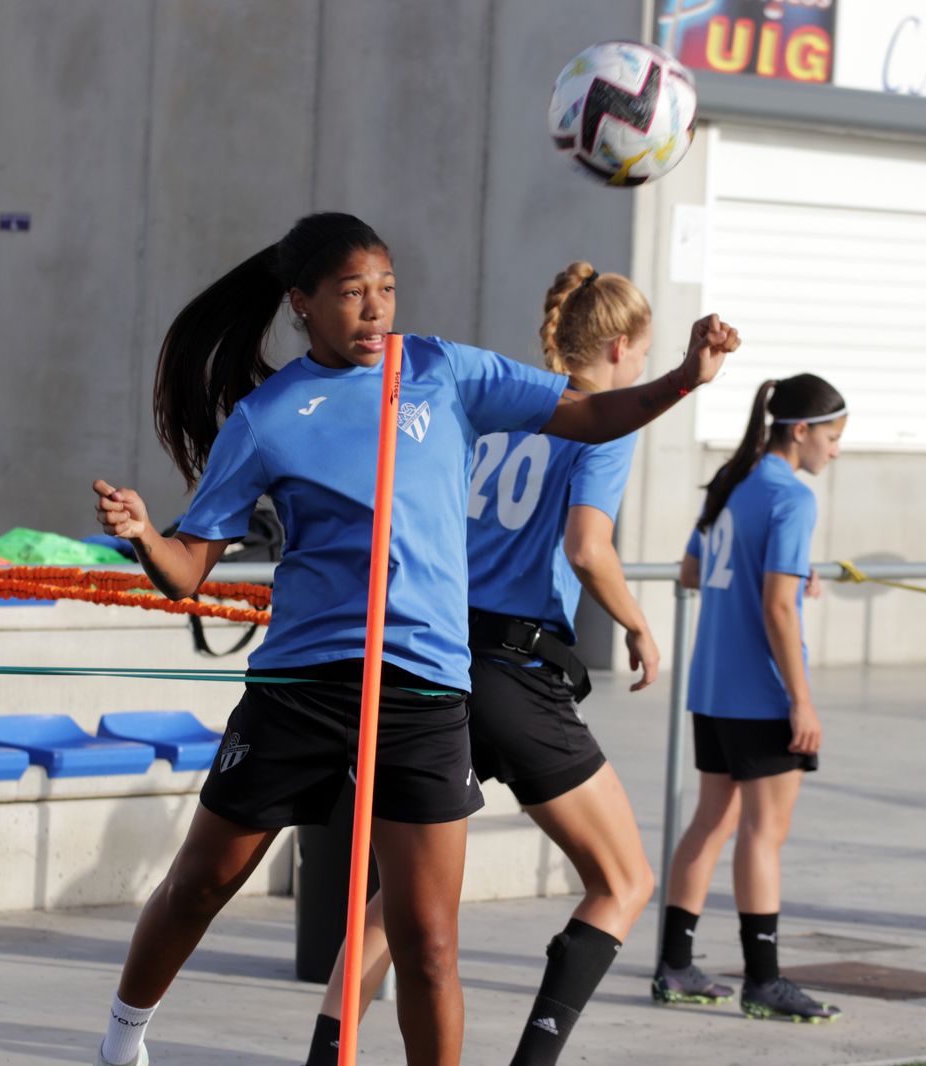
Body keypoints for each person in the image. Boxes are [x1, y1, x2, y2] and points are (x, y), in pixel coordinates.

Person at [89, 213, 740, 1066]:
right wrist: (144, 533)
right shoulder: (266, 416)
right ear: (302, 304)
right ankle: (121, 1040)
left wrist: (685, 379)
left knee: (429, 943)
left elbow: (586, 415)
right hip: (302, 689)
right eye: (352, 293)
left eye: (386, 290)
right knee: (203, 882)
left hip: (427, 693)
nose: (374, 310)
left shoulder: (441, 369)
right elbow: (188, 572)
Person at [301, 262, 666, 1066]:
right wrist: (638, 623)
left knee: (395, 898)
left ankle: (327, 1057)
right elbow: (587, 546)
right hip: (515, 672)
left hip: (437, 663)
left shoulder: (500, 407)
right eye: (644, 355)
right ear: (616, 347)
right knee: (625, 880)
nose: (643, 370)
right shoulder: (598, 422)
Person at [653, 373, 845, 1024]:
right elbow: (777, 608)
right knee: (764, 834)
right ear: (802, 432)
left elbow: (690, 571)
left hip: (712, 687)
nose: (836, 450)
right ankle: (763, 981)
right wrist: (802, 700)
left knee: (711, 822)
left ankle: (675, 966)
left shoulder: (731, 482)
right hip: (761, 695)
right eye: (834, 436)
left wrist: (785, 571)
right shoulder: (792, 497)